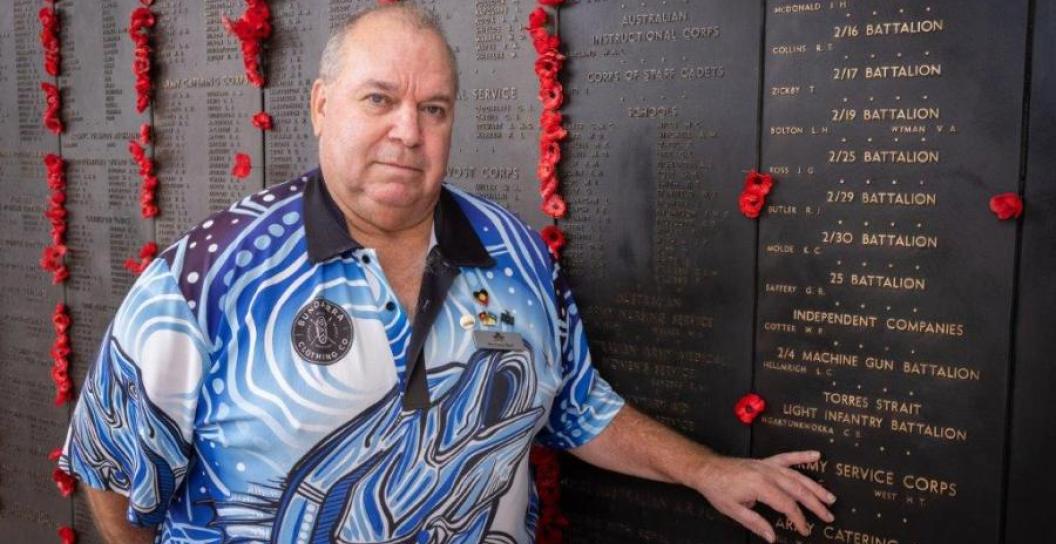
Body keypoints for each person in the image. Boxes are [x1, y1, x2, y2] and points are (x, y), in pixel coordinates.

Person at [59, 5, 835, 543]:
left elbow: (573, 404)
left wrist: (707, 471)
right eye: (380, 99)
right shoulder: (208, 276)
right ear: (322, 106)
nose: (408, 130)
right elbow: (111, 464)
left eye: (434, 108)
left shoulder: (517, 256)